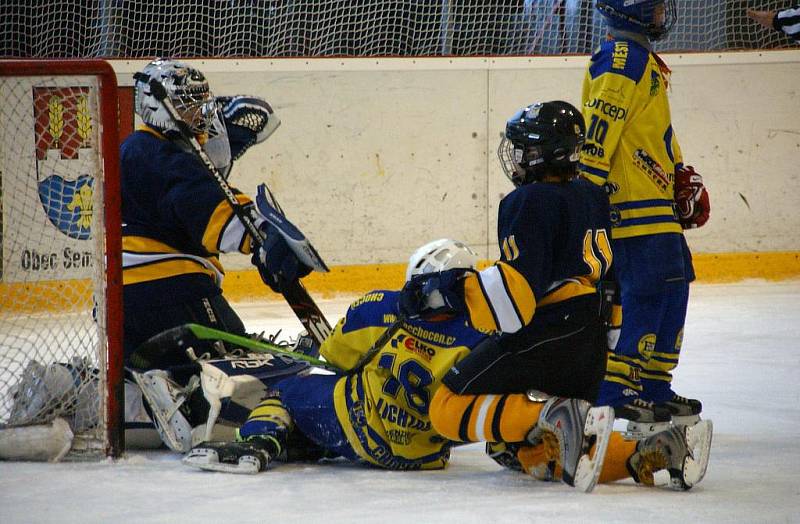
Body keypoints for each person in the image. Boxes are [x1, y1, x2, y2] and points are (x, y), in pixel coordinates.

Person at [417, 100, 710, 491]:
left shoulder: (527, 201)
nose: (516, 159)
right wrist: (604, 351)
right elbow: (613, 280)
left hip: (549, 334)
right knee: (538, 453)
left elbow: (515, 298)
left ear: (538, 155)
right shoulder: (592, 195)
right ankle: (655, 449)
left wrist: (449, 290)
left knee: (445, 407)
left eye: (522, 150)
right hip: (591, 339)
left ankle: (553, 414)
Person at [184, 238, 615, 490]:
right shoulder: (488, 330)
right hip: (424, 455)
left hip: (360, 429)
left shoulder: (381, 306)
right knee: (492, 418)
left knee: (289, 392)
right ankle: (552, 449)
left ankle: (259, 444)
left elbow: (334, 356)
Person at [120, 58, 314, 449]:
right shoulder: (160, 156)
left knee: (147, 363)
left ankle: (133, 398)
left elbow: (197, 190)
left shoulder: (138, 150)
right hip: (172, 290)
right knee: (248, 368)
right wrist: (262, 239)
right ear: (162, 107)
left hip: (121, 302)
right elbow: (208, 207)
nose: (201, 113)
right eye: (191, 104)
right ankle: (188, 400)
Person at [577, 1, 710, 433]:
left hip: (655, 204)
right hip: (629, 205)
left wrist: (677, 175)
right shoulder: (621, 59)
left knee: (675, 285)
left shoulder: (644, 60)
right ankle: (617, 390)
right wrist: (589, 194)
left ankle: (653, 383)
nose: (660, 13)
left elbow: (651, 132)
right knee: (650, 290)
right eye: (652, 6)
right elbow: (599, 131)